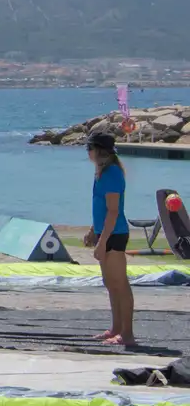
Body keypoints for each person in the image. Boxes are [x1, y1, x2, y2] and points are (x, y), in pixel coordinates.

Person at [83, 132, 134, 346]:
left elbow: (113, 212)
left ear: (98, 150)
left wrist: (102, 241)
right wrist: (93, 231)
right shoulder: (102, 173)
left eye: (89, 149)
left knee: (120, 283)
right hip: (105, 232)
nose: (88, 153)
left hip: (115, 234)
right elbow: (102, 209)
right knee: (110, 283)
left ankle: (127, 334)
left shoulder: (112, 173)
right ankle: (115, 328)